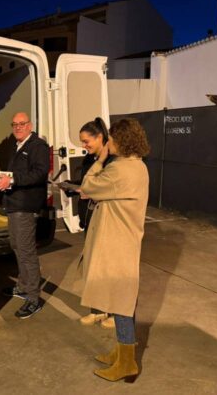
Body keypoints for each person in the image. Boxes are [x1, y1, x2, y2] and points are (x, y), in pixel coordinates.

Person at [79, 118, 150, 383]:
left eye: (111, 138)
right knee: (123, 300)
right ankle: (122, 353)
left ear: (122, 140)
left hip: (118, 242)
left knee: (121, 302)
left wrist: (100, 160)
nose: (108, 142)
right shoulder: (138, 166)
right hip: (125, 241)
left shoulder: (121, 170)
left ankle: (127, 363)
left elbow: (87, 186)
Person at [0, 112, 49, 319]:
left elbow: (39, 173)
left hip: (25, 206)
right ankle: (23, 286)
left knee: (26, 252)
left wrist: (12, 180)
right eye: (14, 124)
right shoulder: (19, 145)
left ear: (30, 125)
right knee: (17, 246)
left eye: (22, 124)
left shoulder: (38, 146)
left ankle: (34, 299)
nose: (18, 127)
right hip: (14, 204)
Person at [72, 118, 115, 328]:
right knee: (92, 269)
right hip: (89, 220)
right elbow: (87, 185)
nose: (84, 146)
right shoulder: (90, 159)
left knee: (109, 270)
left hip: (105, 224)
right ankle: (97, 310)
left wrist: (90, 191)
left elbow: (108, 190)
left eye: (86, 141)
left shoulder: (112, 161)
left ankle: (115, 313)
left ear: (100, 138)